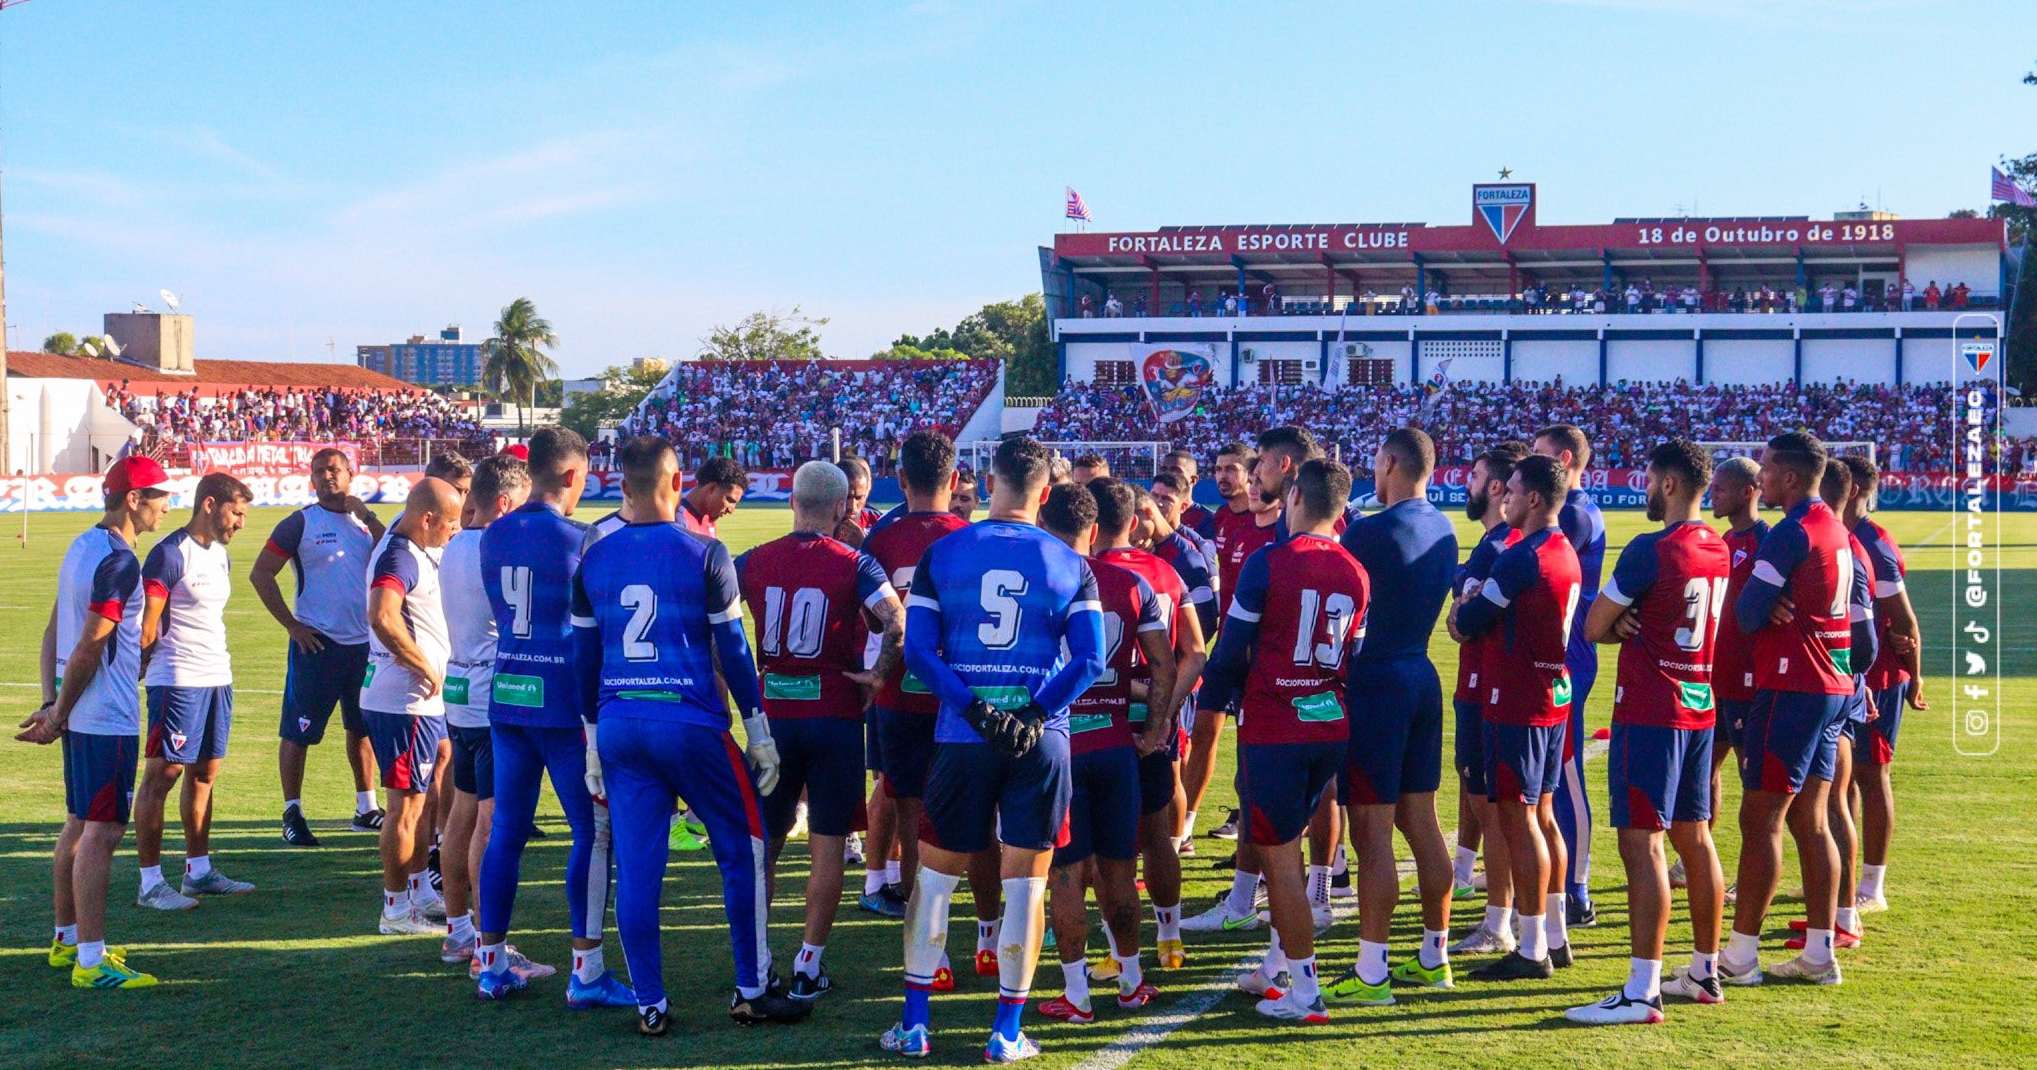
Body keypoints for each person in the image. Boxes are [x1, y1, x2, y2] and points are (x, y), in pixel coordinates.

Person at [878, 436, 1106, 1062]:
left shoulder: (944, 552)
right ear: (1047, 492)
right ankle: (1006, 1033)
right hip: (1041, 739)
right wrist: (1034, 712)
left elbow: (919, 652)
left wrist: (974, 708)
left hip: (962, 736)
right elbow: (1090, 659)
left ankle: (916, 1026)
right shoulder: (1070, 562)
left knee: (934, 881)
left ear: (986, 480)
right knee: (1026, 888)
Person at [574, 435, 808, 1033]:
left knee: (637, 868)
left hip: (620, 724)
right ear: (678, 483)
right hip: (690, 723)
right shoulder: (705, 551)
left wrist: (593, 740)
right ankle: (753, 988)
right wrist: (758, 730)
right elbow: (733, 647)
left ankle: (650, 1003)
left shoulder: (593, 554)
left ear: (619, 484)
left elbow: (584, 658)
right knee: (745, 847)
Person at [1568, 439, 1730, 1023]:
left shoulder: (1649, 549)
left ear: (1668, 484)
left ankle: (1642, 990)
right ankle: (1705, 971)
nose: (1644, 489)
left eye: (1649, 479)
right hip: (1699, 704)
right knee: (1696, 838)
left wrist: (1622, 626)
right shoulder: (1718, 547)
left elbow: (1592, 626)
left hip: (1650, 710)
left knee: (1644, 844)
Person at [1201, 459, 1368, 1023]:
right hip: (1329, 722)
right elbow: (1355, 659)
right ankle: (1275, 966)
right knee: (1290, 845)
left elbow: (1230, 650)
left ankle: (1305, 992)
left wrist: (1212, 700)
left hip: (1275, 727)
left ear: (1295, 497)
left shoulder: (1269, 561)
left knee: (1280, 861)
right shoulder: (1355, 570)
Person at [472, 429, 632, 1003]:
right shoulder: (582, 539)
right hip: (565, 704)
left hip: (509, 695)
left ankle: (490, 962)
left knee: (506, 832)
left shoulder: (492, 535)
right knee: (590, 834)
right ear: (570, 475)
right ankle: (586, 971)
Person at [736, 461, 905, 1001]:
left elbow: (712, 621)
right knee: (828, 842)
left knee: (764, 842)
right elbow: (896, 621)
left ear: (792, 501)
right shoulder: (855, 562)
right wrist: (877, 676)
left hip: (772, 720)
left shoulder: (754, 559)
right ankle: (808, 962)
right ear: (840, 507)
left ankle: (755, 961)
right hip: (833, 716)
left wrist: (735, 680)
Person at [19, 455, 173, 988]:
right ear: (133, 499)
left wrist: (52, 701)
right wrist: (57, 713)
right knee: (102, 832)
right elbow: (89, 643)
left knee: (79, 823)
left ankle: (67, 940)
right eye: (160, 497)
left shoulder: (82, 546)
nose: (165, 507)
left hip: (79, 709)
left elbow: (53, 629)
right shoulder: (120, 561)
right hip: (105, 715)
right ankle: (91, 961)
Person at [1324, 428, 1458, 1004]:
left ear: (1389, 462)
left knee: (1372, 830)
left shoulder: (1369, 531)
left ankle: (1372, 971)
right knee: (1421, 821)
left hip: (1377, 681)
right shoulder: (1445, 528)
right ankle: (1434, 955)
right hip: (1421, 674)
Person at [1033, 482, 1174, 1023]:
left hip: (1060, 744)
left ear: (1044, 526)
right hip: (1116, 746)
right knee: (1119, 868)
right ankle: (1131, 982)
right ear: (1094, 530)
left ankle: (1077, 994)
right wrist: (1154, 730)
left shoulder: (1038, 582)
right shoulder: (1131, 583)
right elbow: (1165, 663)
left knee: (1067, 874)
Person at [1720, 431, 1854, 986]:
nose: (1762, 477)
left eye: (1769, 469)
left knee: (1761, 821)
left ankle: (1740, 957)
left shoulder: (1791, 532)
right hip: (1832, 685)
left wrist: (1767, 600)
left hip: (1791, 685)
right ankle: (1820, 953)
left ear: (1791, 478)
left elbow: (1748, 614)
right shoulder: (1834, 526)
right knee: (1811, 820)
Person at [1452, 454, 1582, 982]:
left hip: (1516, 699)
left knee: (1519, 819)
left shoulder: (1520, 556)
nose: (1504, 497)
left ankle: (1531, 948)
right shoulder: (1562, 549)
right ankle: (1555, 935)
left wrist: (1465, 606)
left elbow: (1469, 620)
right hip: (1550, 693)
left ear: (1533, 498)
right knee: (1542, 816)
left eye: (1512, 491)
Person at [864, 433, 985, 954]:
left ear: (901, 480)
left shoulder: (880, 539)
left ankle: (922, 930)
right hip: (960, 694)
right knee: (977, 808)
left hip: (899, 694)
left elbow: (873, 620)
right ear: (954, 480)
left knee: (911, 813)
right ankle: (985, 927)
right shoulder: (972, 538)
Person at [133, 472, 257, 911]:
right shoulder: (169, 554)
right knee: (163, 775)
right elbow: (147, 627)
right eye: (236, 513)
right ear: (209, 505)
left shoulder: (220, 555)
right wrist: (141, 671)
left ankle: (198, 872)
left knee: (205, 773)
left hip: (216, 676)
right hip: (177, 679)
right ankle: (150, 883)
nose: (240, 523)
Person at [252, 448, 386, 846]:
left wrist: (368, 515)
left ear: (350, 473)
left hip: (364, 644)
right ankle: (292, 812)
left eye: (334, 469)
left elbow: (393, 553)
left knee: (361, 728)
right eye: (319, 471)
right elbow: (261, 573)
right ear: (311, 479)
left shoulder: (366, 523)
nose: (327, 476)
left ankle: (366, 808)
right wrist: (292, 625)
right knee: (299, 731)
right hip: (318, 645)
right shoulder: (300, 523)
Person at [1105, 483, 1206, 971]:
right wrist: (1165, 708)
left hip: (1100, 721)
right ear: (1133, 521)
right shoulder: (1166, 571)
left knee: (1106, 847)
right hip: (1154, 723)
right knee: (1157, 835)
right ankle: (1170, 938)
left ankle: (1118, 954)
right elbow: (1196, 652)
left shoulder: (1085, 571)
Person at [438, 456, 532, 973]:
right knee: (490, 823)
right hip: (492, 694)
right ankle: (487, 947)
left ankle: (458, 932)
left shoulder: (454, 545)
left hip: (459, 689)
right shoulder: (495, 548)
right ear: (504, 503)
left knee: (462, 812)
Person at [363, 477, 462, 936]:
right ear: (427, 519)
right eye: (450, 522)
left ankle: (420, 890)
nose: (454, 531)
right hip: (404, 699)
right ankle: (396, 910)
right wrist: (423, 665)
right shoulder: (399, 556)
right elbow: (382, 615)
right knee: (405, 805)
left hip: (418, 701)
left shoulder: (415, 550)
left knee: (428, 790)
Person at [1447, 443, 1527, 957]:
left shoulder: (1499, 547)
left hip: (1487, 688)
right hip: (1496, 686)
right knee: (1511, 807)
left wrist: (1461, 607)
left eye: (1475, 476)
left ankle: (1500, 919)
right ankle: (1527, 913)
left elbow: (1462, 622)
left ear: (1496, 487)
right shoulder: (1503, 543)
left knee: (1495, 808)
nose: (1468, 484)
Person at [1838, 455, 1925, 916]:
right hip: (1848, 676)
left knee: (1872, 776)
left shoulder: (1874, 543)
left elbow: (1904, 622)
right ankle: (1843, 878)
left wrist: (1916, 677)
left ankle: (1873, 886)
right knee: (1842, 778)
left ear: (1852, 489)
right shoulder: (1842, 535)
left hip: (1880, 678)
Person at [1532, 424, 1605, 926]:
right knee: (1545, 778)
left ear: (1562, 459)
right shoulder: (1576, 509)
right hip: (1556, 656)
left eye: (1538, 454)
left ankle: (1578, 888)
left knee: (1566, 777)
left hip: (1570, 660)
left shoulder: (1574, 514)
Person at [1181, 442, 1262, 848]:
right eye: (1218, 468)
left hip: (1257, 653)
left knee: (1253, 743)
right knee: (1203, 729)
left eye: (1232, 468)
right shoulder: (1220, 521)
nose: (1223, 476)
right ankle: (1185, 825)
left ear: (1250, 475)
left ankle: (1250, 824)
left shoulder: (1267, 523)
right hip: (1226, 647)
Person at [1705, 456, 1768, 849]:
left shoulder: (1767, 542)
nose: (1712, 495)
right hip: (1715, 679)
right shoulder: (1725, 540)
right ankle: (1693, 862)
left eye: (1720, 489)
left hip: (1749, 682)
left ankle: (1753, 869)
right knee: (1704, 771)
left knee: (1753, 782)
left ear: (1747, 493)